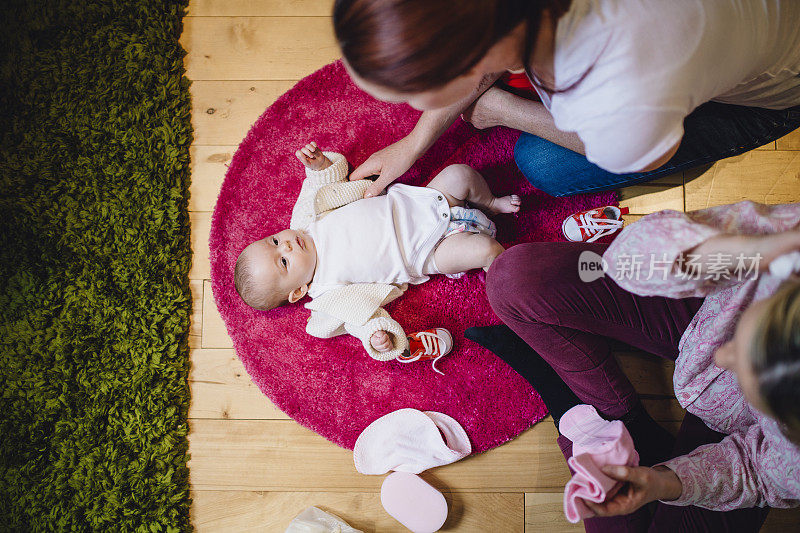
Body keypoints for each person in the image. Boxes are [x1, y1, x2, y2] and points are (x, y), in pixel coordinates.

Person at [466, 200, 800, 531]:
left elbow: (762, 474)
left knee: (611, 509)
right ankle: (615, 416)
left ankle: (601, 421)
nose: (723, 356)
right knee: (514, 279)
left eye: (746, 374)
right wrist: (758, 248)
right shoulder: (787, 246)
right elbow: (621, 259)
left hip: (734, 438)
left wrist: (665, 483)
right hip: (706, 309)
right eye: (741, 338)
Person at [332, 0, 800, 198]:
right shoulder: (505, 19)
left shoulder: (614, 86)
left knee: (544, 165)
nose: (413, 107)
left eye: (412, 97)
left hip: (775, 90)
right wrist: (416, 142)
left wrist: (503, 110)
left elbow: (658, 151)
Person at [233, 142, 520, 361]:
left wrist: (320, 167)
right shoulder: (326, 292)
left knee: (460, 174)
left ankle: (491, 202)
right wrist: (376, 335)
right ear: (297, 291)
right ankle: (508, 272)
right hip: (427, 252)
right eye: (283, 261)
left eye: (274, 240)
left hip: (423, 201)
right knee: (485, 250)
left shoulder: (305, 221)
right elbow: (360, 316)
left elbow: (320, 187)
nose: (286, 245)